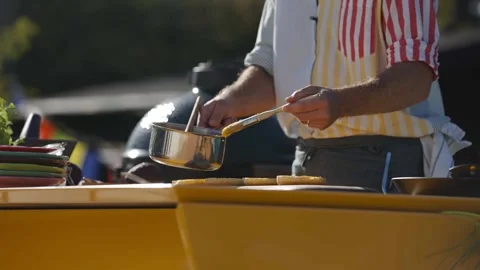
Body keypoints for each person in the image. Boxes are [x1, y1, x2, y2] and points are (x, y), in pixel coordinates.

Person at [198, 0, 469, 190]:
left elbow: (415, 76)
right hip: (305, 164)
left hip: (387, 167)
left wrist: (340, 103)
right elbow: (270, 66)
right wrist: (231, 100)